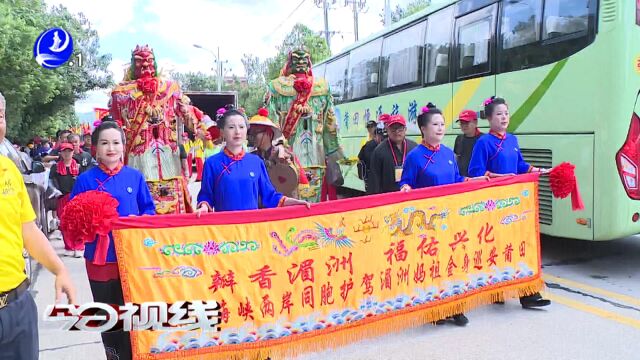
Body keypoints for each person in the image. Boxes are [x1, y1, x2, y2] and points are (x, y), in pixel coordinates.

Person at [0, 90, 76, 359]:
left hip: (17, 307)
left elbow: (28, 229)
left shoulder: (9, 170)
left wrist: (59, 269)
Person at [70, 120, 156, 359]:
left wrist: (136, 222)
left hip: (131, 258)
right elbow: (72, 221)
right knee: (108, 315)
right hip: (100, 260)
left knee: (134, 312)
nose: (111, 148)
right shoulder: (85, 180)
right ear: (95, 147)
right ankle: (114, 356)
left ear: (123, 146)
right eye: (105, 143)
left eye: (116, 142)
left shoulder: (135, 177)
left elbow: (149, 212)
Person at [399, 103, 488, 326]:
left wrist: (474, 180)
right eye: (435, 124)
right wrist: (406, 188)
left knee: (453, 262)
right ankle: (434, 309)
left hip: (452, 218)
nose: (440, 128)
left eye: (442, 124)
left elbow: (457, 179)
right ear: (423, 129)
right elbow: (406, 182)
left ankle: (456, 306)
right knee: (433, 266)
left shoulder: (449, 153)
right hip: (428, 224)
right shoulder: (414, 156)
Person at [468, 96, 551, 309]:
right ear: (488, 118)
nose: (504, 117)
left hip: (516, 203)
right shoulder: (483, 142)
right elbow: (475, 173)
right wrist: (496, 176)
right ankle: (496, 288)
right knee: (499, 248)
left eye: (506, 113)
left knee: (521, 247)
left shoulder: (512, 139)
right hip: (495, 205)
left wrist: (539, 171)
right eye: (499, 114)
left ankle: (528, 293)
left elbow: (520, 165)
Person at [110, 45, 202, 214]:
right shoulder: (121, 93)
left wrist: (204, 129)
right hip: (138, 156)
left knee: (173, 208)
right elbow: (115, 127)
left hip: (168, 156)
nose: (145, 66)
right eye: (139, 62)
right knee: (141, 204)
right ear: (132, 64)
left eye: (149, 61)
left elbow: (188, 113)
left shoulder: (170, 88)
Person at [265, 48, 343, 203]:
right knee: (310, 205)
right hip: (310, 157)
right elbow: (331, 127)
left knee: (290, 204)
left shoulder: (276, 88)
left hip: (286, 158)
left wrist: (274, 149)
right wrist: (334, 154)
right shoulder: (321, 87)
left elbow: (270, 126)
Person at [196, 107, 310, 213]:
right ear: (222, 132)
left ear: (246, 131)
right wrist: (204, 206)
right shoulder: (212, 163)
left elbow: (270, 196)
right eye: (231, 127)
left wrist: (293, 202)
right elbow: (206, 195)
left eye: (241, 127)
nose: (237, 132)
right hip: (225, 228)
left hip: (251, 227)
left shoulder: (256, 162)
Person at [247, 108, 308, 198]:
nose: (252, 137)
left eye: (255, 132)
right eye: (250, 133)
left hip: (281, 203)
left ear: (269, 134)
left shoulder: (284, 155)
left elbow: (290, 185)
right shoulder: (251, 157)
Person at [51, 142, 89, 257]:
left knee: (78, 223)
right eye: (64, 151)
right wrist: (54, 190)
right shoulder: (56, 167)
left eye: (69, 151)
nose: (67, 153)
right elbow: (51, 181)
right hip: (62, 197)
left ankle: (78, 246)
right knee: (64, 224)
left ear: (73, 152)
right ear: (61, 153)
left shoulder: (78, 166)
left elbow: (84, 181)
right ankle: (69, 246)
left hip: (76, 198)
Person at [370, 114, 417, 194]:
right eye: (393, 129)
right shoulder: (379, 151)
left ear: (405, 129)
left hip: (410, 194)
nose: (397, 132)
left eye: (400, 129)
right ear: (387, 130)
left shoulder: (414, 147)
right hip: (389, 197)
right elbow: (375, 179)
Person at [358, 118, 387, 194]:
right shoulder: (368, 144)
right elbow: (361, 158)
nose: (369, 129)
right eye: (368, 127)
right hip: (371, 177)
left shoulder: (387, 145)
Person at [454, 109, 483, 177]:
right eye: (461, 123)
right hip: (462, 178)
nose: (464, 125)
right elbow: (457, 158)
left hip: (478, 178)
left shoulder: (483, 139)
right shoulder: (459, 139)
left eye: (466, 122)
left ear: (476, 122)